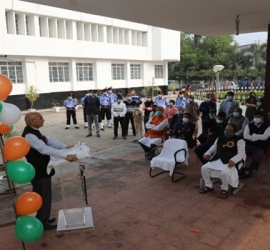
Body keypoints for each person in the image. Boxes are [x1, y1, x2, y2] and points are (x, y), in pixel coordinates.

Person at [22, 112, 78, 230]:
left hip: (42, 168)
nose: (43, 120)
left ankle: (44, 217)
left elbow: (49, 140)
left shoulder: (35, 131)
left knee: (44, 194)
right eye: (40, 118)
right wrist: (65, 156)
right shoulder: (29, 135)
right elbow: (44, 149)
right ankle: (42, 221)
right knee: (43, 195)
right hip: (39, 171)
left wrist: (65, 147)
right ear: (32, 121)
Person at [199, 124, 245, 198]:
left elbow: (241, 153)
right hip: (217, 159)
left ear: (234, 132)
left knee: (224, 172)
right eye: (226, 130)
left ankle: (225, 189)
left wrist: (233, 160)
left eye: (230, 131)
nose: (227, 132)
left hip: (229, 161)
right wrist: (207, 153)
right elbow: (213, 148)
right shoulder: (219, 138)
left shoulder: (239, 140)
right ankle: (208, 185)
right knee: (204, 168)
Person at [240, 111, 270, 179]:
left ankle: (249, 171)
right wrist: (256, 138)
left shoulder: (267, 127)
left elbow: (265, 137)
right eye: (255, 117)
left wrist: (253, 135)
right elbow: (245, 136)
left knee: (257, 157)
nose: (256, 119)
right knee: (239, 153)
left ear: (262, 117)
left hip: (259, 147)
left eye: (258, 117)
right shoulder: (249, 125)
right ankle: (241, 169)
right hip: (248, 146)